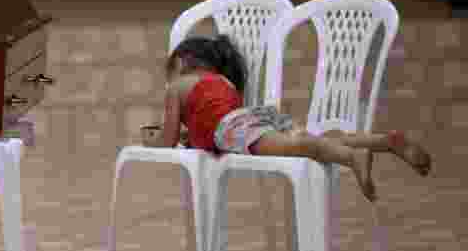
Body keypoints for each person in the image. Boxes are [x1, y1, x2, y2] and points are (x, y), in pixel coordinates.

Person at [140, 34, 432, 202]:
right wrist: (189, 136)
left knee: (300, 145)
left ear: (180, 63)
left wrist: (154, 140)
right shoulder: (221, 81)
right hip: (252, 116)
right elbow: (213, 121)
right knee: (307, 139)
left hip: (235, 127)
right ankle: (381, 141)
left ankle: (351, 157)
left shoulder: (176, 87)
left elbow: (170, 141)